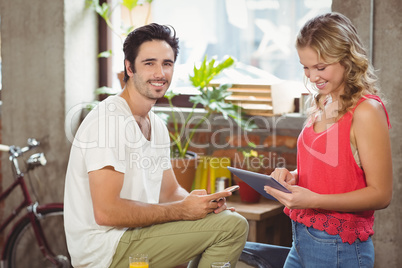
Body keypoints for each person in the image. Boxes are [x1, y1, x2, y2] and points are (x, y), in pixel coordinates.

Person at [64, 23, 248, 268]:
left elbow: (170, 192)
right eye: (149, 63)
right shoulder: (109, 121)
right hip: (105, 249)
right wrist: (182, 211)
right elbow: (107, 212)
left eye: (167, 63)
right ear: (130, 68)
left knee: (225, 220)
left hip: (135, 235)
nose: (160, 73)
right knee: (233, 227)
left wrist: (204, 207)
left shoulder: (156, 124)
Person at [264, 12, 392, 267]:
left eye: (320, 67)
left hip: (339, 248)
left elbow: (381, 194)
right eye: (305, 67)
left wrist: (314, 200)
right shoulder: (324, 100)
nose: (312, 77)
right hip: (301, 238)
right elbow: (334, 168)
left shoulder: (367, 112)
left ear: (348, 59)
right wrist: (295, 175)